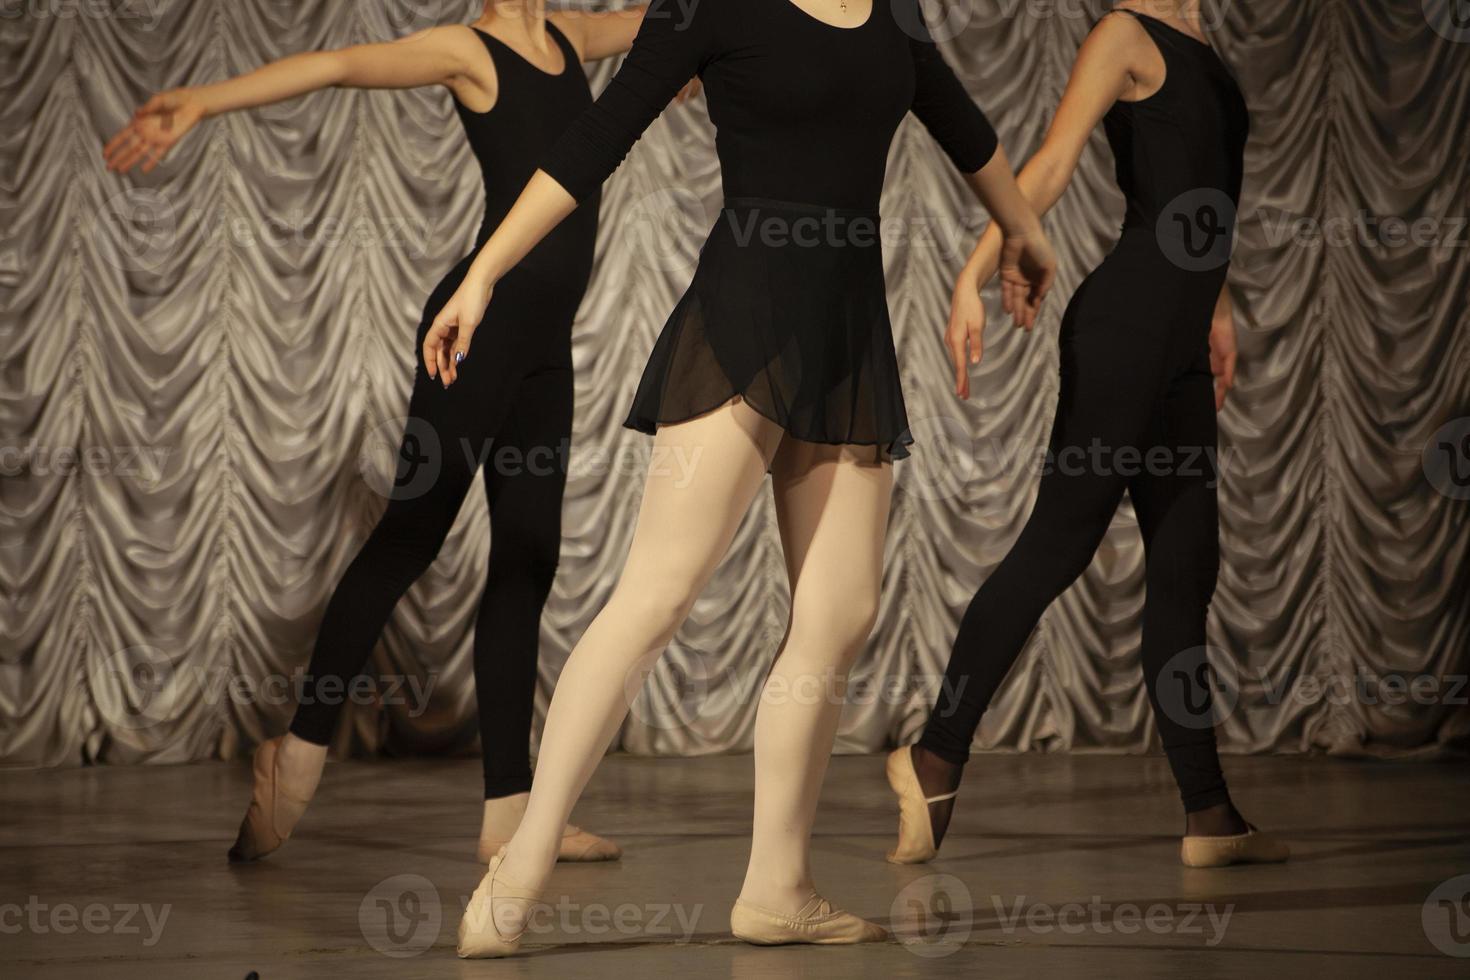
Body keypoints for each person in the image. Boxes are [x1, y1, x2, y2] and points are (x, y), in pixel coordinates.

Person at [422, 0, 1056, 957]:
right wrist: (485, 273)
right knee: (656, 594)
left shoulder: (895, 13)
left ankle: (776, 885)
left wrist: (1020, 230)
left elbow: (962, 124)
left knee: (841, 610)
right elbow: (598, 135)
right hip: (744, 313)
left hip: (848, 330)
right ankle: (518, 869)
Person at [103, 0, 696, 867]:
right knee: (409, 538)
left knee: (530, 556)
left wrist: (705, 56)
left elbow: (671, 17)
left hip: (544, 351)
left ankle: (510, 815)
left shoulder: (572, 34)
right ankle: (297, 754)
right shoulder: (469, 50)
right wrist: (204, 99)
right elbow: (341, 65)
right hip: (476, 329)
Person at [886, 0, 1289, 870]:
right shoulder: (1124, 33)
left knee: (1188, 566)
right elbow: (1053, 161)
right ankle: (934, 753)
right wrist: (976, 269)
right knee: (1058, 545)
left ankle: (1209, 813)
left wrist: (1217, 306)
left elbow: (1202, 192)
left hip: (1177, 339)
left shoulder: (1203, 41)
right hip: (1127, 330)